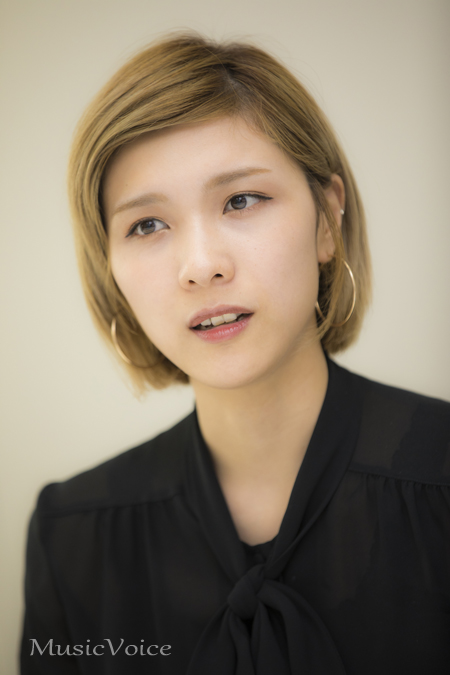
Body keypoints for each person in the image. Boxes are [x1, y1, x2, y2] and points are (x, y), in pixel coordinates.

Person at [21, 33, 450, 675]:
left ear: (326, 220)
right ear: (110, 270)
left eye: (241, 200)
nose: (201, 266)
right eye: (146, 224)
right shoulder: (73, 536)